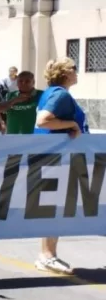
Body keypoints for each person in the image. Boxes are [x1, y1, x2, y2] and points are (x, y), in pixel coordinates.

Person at [33, 58, 87, 275]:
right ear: (65, 73)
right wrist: (72, 124)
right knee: (56, 206)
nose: (77, 72)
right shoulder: (60, 94)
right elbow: (43, 121)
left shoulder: (51, 92)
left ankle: (46, 255)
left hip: (53, 157)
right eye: (74, 68)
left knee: (55, 206)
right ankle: (47, 255)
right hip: (56, 158)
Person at [0, 71, 41, 135]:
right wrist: (14, 101)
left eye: (27, 81)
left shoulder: (41, 95)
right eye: (20, 81)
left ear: (33, 82)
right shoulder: (10, 95)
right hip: (13, 136)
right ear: (17, 83)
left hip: (33, 136)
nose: (23, 84)